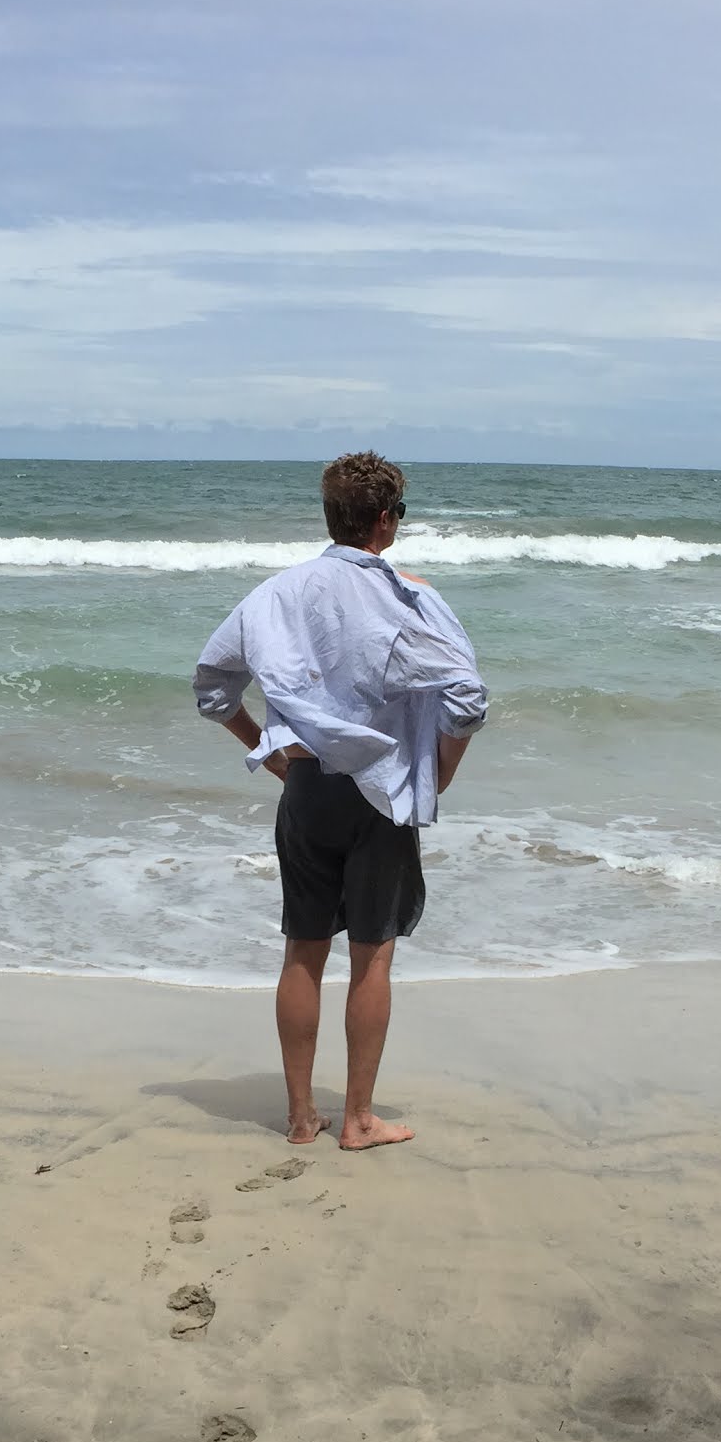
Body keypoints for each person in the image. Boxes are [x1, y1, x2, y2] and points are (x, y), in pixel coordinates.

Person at [189, 451, 490, 1149]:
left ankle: (300, 1119)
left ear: (332, 516)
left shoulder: (276, 594)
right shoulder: (410, 596)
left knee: (303, 950)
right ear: (385, 520)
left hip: (308, 788)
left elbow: (212, 689)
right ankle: (356, 1119)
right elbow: (468, 698)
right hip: (381, 792)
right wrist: (438, 769)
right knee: (372, 955)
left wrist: (274, 755)